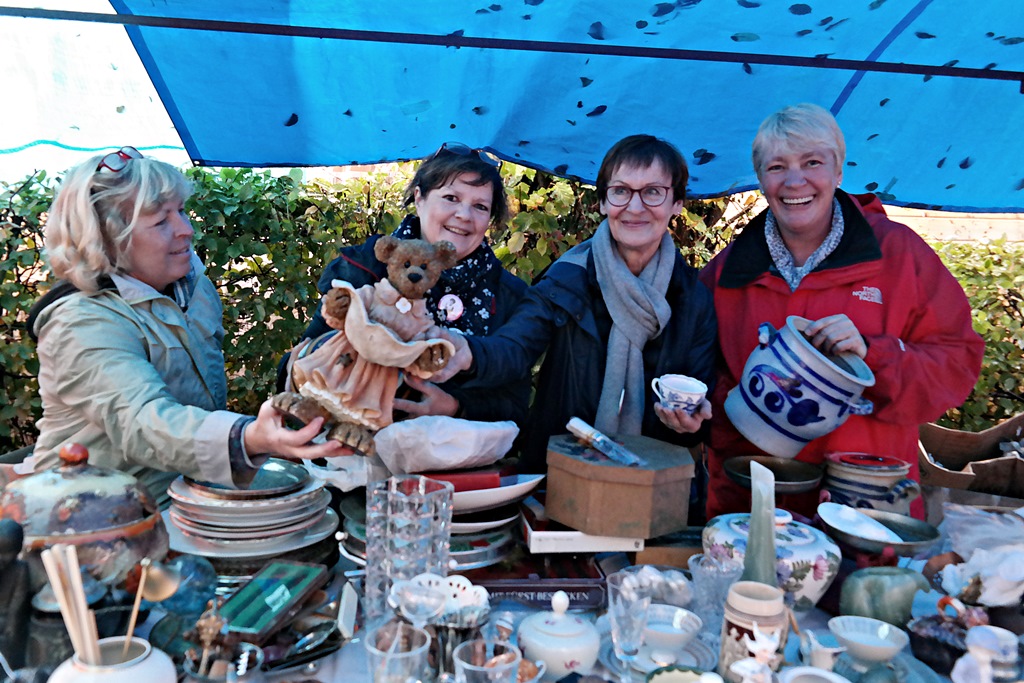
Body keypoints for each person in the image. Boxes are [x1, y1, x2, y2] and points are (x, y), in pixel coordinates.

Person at [699, 103, 984, 519]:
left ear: (838, 171)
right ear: (760, 180)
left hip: (867, 509)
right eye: (777, 167)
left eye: (812, 162)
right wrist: (732, 403)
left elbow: (957, 363)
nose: (795, 181)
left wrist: (873, 355)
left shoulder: (900, 256)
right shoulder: (727, 272)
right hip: (753, 507)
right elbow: (694, 372)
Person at [29, 147, 346, 505]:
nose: (187, 230)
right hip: (93, 521)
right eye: (161, 221)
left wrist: (270, 439)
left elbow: (200, 412)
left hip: (185, 498)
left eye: (180, 211)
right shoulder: (81, 321)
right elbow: (143, 422)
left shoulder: (191, 288)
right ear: (108, 239)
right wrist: (247, 438)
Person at [432, 134, 717, 472]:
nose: (635, 207)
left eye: (653, 192)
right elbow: (516, 346)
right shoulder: (567, 281)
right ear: (603, 202)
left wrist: (688, 425)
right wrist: (468, 352)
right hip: (560, 478)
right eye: (621, 191)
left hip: (656, 489)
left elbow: (698, 406)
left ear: (677, 203)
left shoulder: (692, 298)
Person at [283, 142, 529, 426]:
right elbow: (294, 368)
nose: (464, 215)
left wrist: (457, 407)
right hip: (348, 452)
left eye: (480, 206)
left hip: (454, 462)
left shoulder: (509, 295)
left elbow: (515, 408)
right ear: (419, 198)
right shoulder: (367, 265)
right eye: (451, 197)